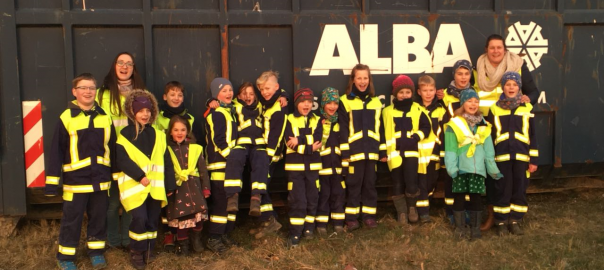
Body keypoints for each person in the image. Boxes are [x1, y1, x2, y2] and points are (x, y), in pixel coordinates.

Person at [46, 73, 115, 270]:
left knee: (98, 218)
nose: (88, 91)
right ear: (74, 92)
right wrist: (52, 182)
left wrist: (116, 176)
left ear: (96, 92)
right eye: (83, 88)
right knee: (71, 220)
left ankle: (96, 253)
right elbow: (56, 151)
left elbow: (114, 149)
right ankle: (65, 257)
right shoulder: (66, 118)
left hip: (101, 180)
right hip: (75, 181)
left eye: (91, 88)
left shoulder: (104, 116)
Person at [474, 34, 541, 230]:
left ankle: (512, 219)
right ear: (486, 49)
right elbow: (469, 91)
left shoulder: (517, 65)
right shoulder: (478, 67)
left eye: (499, 47)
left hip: (512, 123)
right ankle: (494, 216)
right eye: (492, 47)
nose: (496, 51)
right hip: (485, 124)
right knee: (493, 178)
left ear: (505, 49)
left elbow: (534, 92)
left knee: (514, 183)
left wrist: (525, 102)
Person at [115, 90, 176, 269]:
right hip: (134, 188)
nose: (145, 114)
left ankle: (149, 250)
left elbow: (167, 161)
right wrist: (139, 176)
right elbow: (122, 160)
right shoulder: (125, 134)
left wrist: (170, 185)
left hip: (155, 189)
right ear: (133, 112)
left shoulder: (158, 135)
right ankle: (137, 252)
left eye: (148, 111)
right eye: (141, 110)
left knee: (152, 220)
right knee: (139, 219)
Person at [97, 52, 146, 251]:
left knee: (130, 201)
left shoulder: (141, 93)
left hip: (133, 154)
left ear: (134, 68)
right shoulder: (103, 93)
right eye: (120, 63)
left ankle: (126, 240)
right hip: (111, 155)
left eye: (129, 64)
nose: (124, 67)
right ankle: (113, 240)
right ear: (114, 66)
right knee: (112, 203)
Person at [444, 89, 502, 240]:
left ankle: (475, 229)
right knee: (459, 197)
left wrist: (492, 170)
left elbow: (489, 151)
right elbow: (450, 148)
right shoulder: (454, 124)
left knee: (476, 198)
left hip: (478, 169)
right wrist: (452, 169)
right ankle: (460, 228)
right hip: (460, 168)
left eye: (476, 101)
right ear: (463, 103)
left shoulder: (484, 125)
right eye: (469, 101)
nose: (473, 104)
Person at [485, 72, 538, 236]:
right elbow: (490, 136)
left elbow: (533, 135)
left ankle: (515, 221)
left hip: (522, 157)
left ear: (519, 88)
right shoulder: (494, 109)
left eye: (515, 85)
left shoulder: (527, 107)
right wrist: (490, 159)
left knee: (519, 189)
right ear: (503, 87)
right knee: (502, 189)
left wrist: (533, 159)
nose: (511, 87)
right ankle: (500, 221)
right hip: (501, 157)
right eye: (508, 84)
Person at [380, 75, 431, 225]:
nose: (404, 95)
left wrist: (415, 137)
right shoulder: (387, 111)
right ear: (395, 94)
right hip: (394, 154)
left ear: (412, 93)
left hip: (412, 153)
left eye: (408, 92)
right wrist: (383, 152)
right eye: (401, 92)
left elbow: (426, 127)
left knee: (412, 182)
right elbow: (383, 132)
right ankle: (401, 213)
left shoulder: (418, 109)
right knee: (397, 183)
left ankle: (412, 209)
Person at [339, 64, 383, 230]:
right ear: (353, 80)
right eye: (359, 78)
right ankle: (351, 218)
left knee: (370, 184)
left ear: (369, 79)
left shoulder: (376, 102)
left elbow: (381, 129)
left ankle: (369, 216)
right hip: (354, 152)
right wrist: (345, 151)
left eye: (365, 78)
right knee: (353, 184)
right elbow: (343, 128)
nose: (362, 81)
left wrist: (383, 150)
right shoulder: (344, 101)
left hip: (372, 152)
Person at [222, 82, 270, 217]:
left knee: (261, 161)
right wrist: (211, 101)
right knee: (234, 159)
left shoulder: (262, 106)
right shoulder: (233, 106)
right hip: (241, 143)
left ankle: (256, 199)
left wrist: (284, 96)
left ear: (256, 96)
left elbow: (275, 94)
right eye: (244, 94)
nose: (248, 96)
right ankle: (232, 198)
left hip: (259, 144)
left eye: (251, 94)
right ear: (238, 96)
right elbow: (220, 103)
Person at [165, 115, 211, 255]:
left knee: (198, 217)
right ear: (170, 132)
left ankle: (196, 239)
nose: (179, 133)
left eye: (183, 130)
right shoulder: (167, 150)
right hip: (178, 189)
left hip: (195, 188)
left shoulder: (195, 149)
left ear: (188, 131)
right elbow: (166, 171)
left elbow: (203, 170)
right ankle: (183, 244)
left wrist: (206, 188)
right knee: (181, 218)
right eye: (176, 130)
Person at [283, 88, 323, 248]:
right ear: (297, 103)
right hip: (295, 169)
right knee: (297, 200)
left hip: (313, 168)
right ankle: (295, 233)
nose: (306, 104)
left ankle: (308, 229)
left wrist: (299, 140)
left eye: (309, 101)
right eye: (303, 101)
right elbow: (289, 142)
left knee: (312, 199)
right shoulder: (289, 119)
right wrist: (309, 147)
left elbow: (318, 140)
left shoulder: (317, 120)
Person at [204, 77, 239, 254]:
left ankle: (226, 233)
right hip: (220, 166)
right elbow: (218, 140)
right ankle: (214, 237)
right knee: (220, 203)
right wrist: (231, 158)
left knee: (232, 202)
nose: (228, 93)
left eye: (230, 90)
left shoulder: (230, 111)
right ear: (216, 94)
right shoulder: (216, 113)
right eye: (223, 90)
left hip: (232, 166)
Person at [251, 71, 287, 239]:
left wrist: (269, 156)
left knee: (261, 186)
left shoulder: (278, 108)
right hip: (264, 153)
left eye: (267, 88)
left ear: (276, 87)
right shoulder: (269, 102)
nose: (264, 92)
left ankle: (270, 221)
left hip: (270, 155)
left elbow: (277, 135)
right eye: (261, 89)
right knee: (261, 186)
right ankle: (268, 220)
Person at [439, 59, 474, 225]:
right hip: (451, 143)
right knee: (450, 179)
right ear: (454, 75)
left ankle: (464, 210)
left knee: (466, 178)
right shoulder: (444, 94)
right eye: (460, 73)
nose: (463, 77)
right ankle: (451, 212)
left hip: (468, 145)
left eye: (467, 73)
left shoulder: (475, 93)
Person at [415, 75, 449, 223]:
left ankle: (424, 204)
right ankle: (423, 213)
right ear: (418, 92)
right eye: (425, 90)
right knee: (420, 182)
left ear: (436, 91)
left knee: (431, 181)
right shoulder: (414, 109)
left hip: (434, 153)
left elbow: (445, 132)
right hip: (418, 153)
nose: (428, 93)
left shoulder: (441, 110)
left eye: (431, 90)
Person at [315, 87, 346, 235]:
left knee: (339, 194)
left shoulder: (341, 122)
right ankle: (321, 224)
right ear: (323, 104)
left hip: (338, 168)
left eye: (335, 103)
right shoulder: (318, 122)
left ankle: (338, 223)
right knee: (324, 195)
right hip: (323, 168)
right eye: (329, 103)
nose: (332, 107)